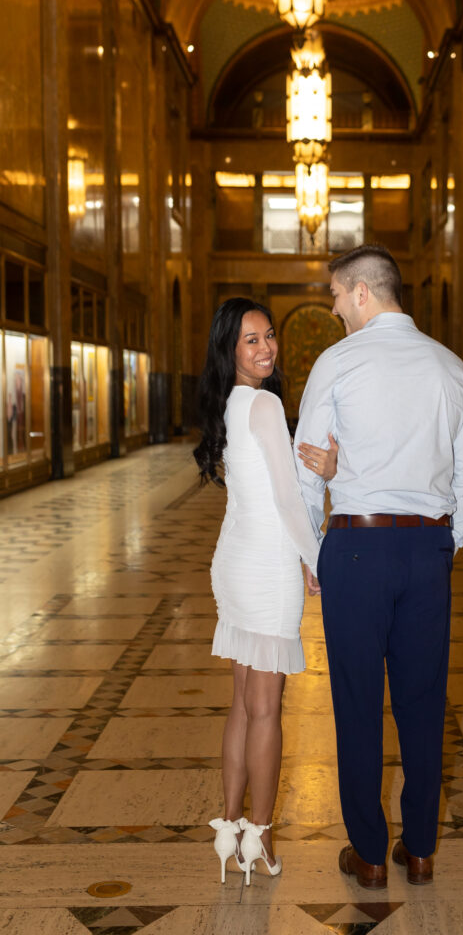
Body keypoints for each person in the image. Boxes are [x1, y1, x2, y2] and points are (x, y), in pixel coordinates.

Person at [295, 245, 463, 888]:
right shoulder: (452, 368)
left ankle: (371, 854)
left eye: (334, 295)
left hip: (356, 546)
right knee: (423, 702)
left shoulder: (338, 362)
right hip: (426, 549)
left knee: (356, 702)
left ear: (360, 293)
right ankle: (422, 850)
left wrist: (311, 545)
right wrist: (445, 544)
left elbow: (307, 461)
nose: (331, 307)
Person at [193, 298, 334, 886]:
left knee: (243, 704)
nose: (266, 348)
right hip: (267, 563)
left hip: (233, 561)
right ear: (231, 351)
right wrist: (317, 556)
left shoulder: (231, 403)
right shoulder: (267, 403)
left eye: (268, 336)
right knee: (267, 708)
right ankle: (261, 836)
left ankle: (230, 827)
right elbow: (286, 497)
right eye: (251, 340)